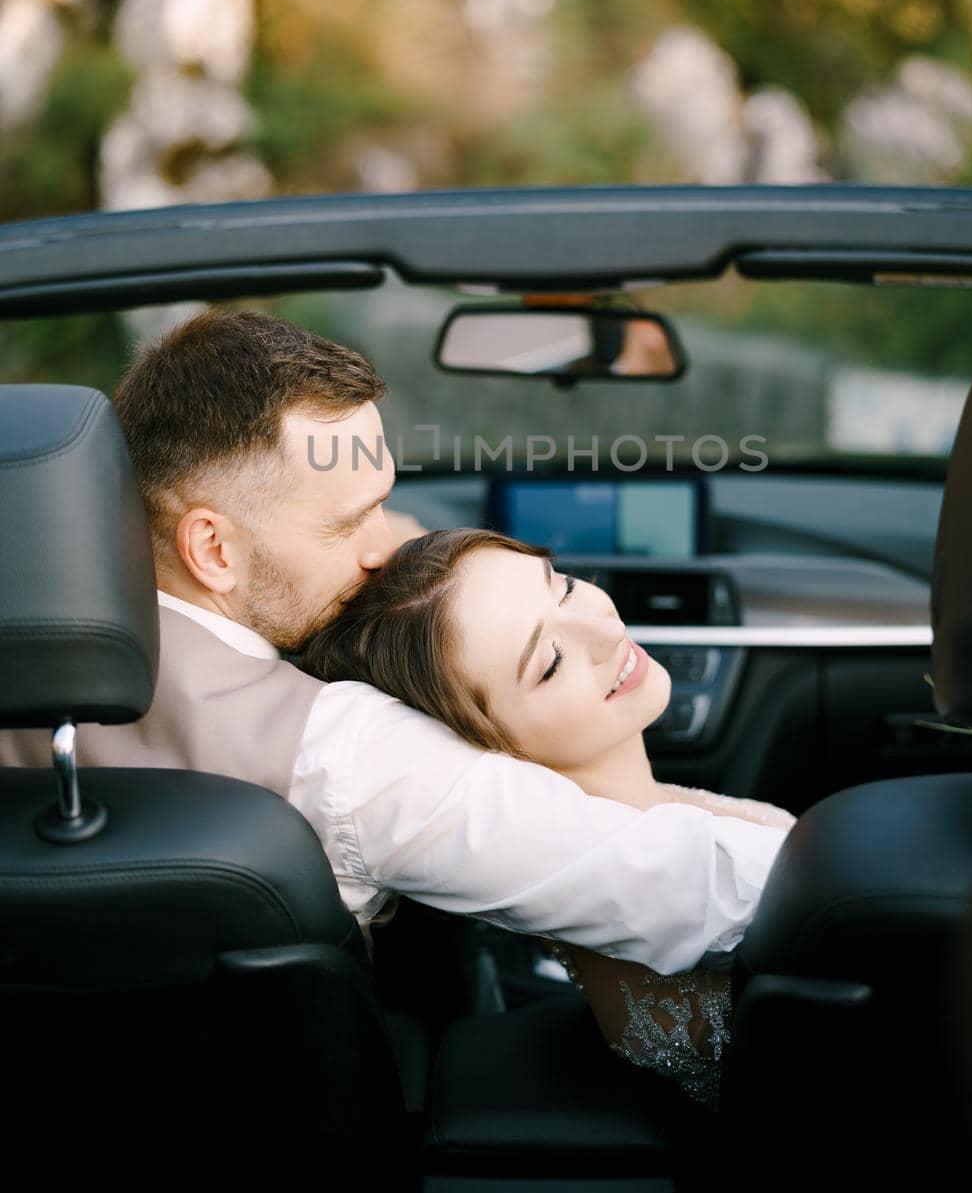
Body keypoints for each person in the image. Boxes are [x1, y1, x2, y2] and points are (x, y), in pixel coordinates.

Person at [0, 309, 792, 983]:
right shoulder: (344, 754)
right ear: (213, 550)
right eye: (349, 523)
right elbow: (691, 888)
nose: (383, 549)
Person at [299, 527, 796, 1107]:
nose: (608, 630)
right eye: (551, 662)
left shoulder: (654, 808)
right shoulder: (624, 892)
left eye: (563, 588)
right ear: (486, 747)